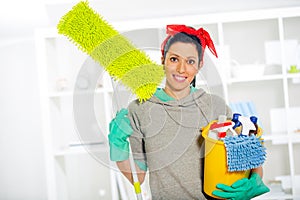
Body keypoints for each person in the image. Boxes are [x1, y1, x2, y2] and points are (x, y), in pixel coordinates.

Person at [108, 24, 269, 199]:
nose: (181, 69)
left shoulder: (215, 106)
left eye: (190, 61)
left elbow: (248, 158)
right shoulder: (139, 109)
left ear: (199, 65)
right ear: (163, 60)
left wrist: (254, 180)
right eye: (174, 59)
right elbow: (137, 177)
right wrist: (118, 145)